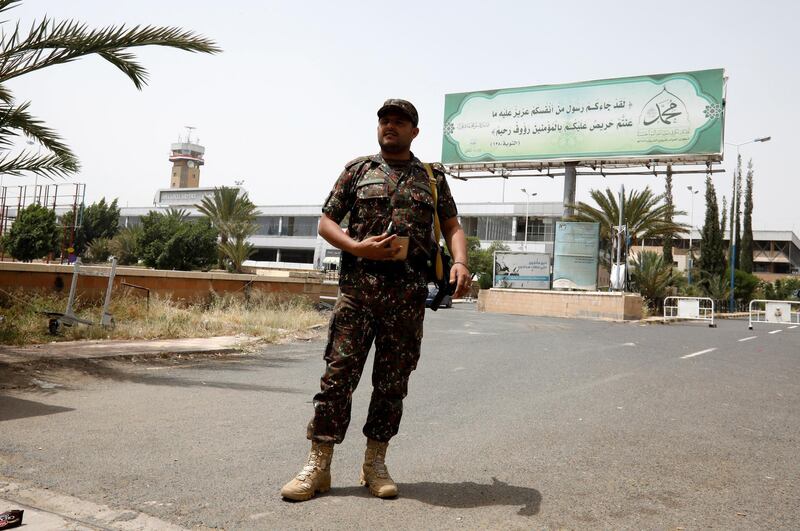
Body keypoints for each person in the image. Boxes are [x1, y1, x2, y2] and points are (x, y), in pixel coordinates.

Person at [281, 99, 470, 501]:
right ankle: (318, 466)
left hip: (406, 298)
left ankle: (375, 463)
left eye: (400, 122)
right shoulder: (358, 171)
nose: (391, 126)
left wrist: (461, 262)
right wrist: (356, 247)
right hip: (357, 294)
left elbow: (452, 225)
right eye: (385, 120)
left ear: (414, 132)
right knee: (336, 380)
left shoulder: (431, 178)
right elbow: (326, 222)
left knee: (391, 385)